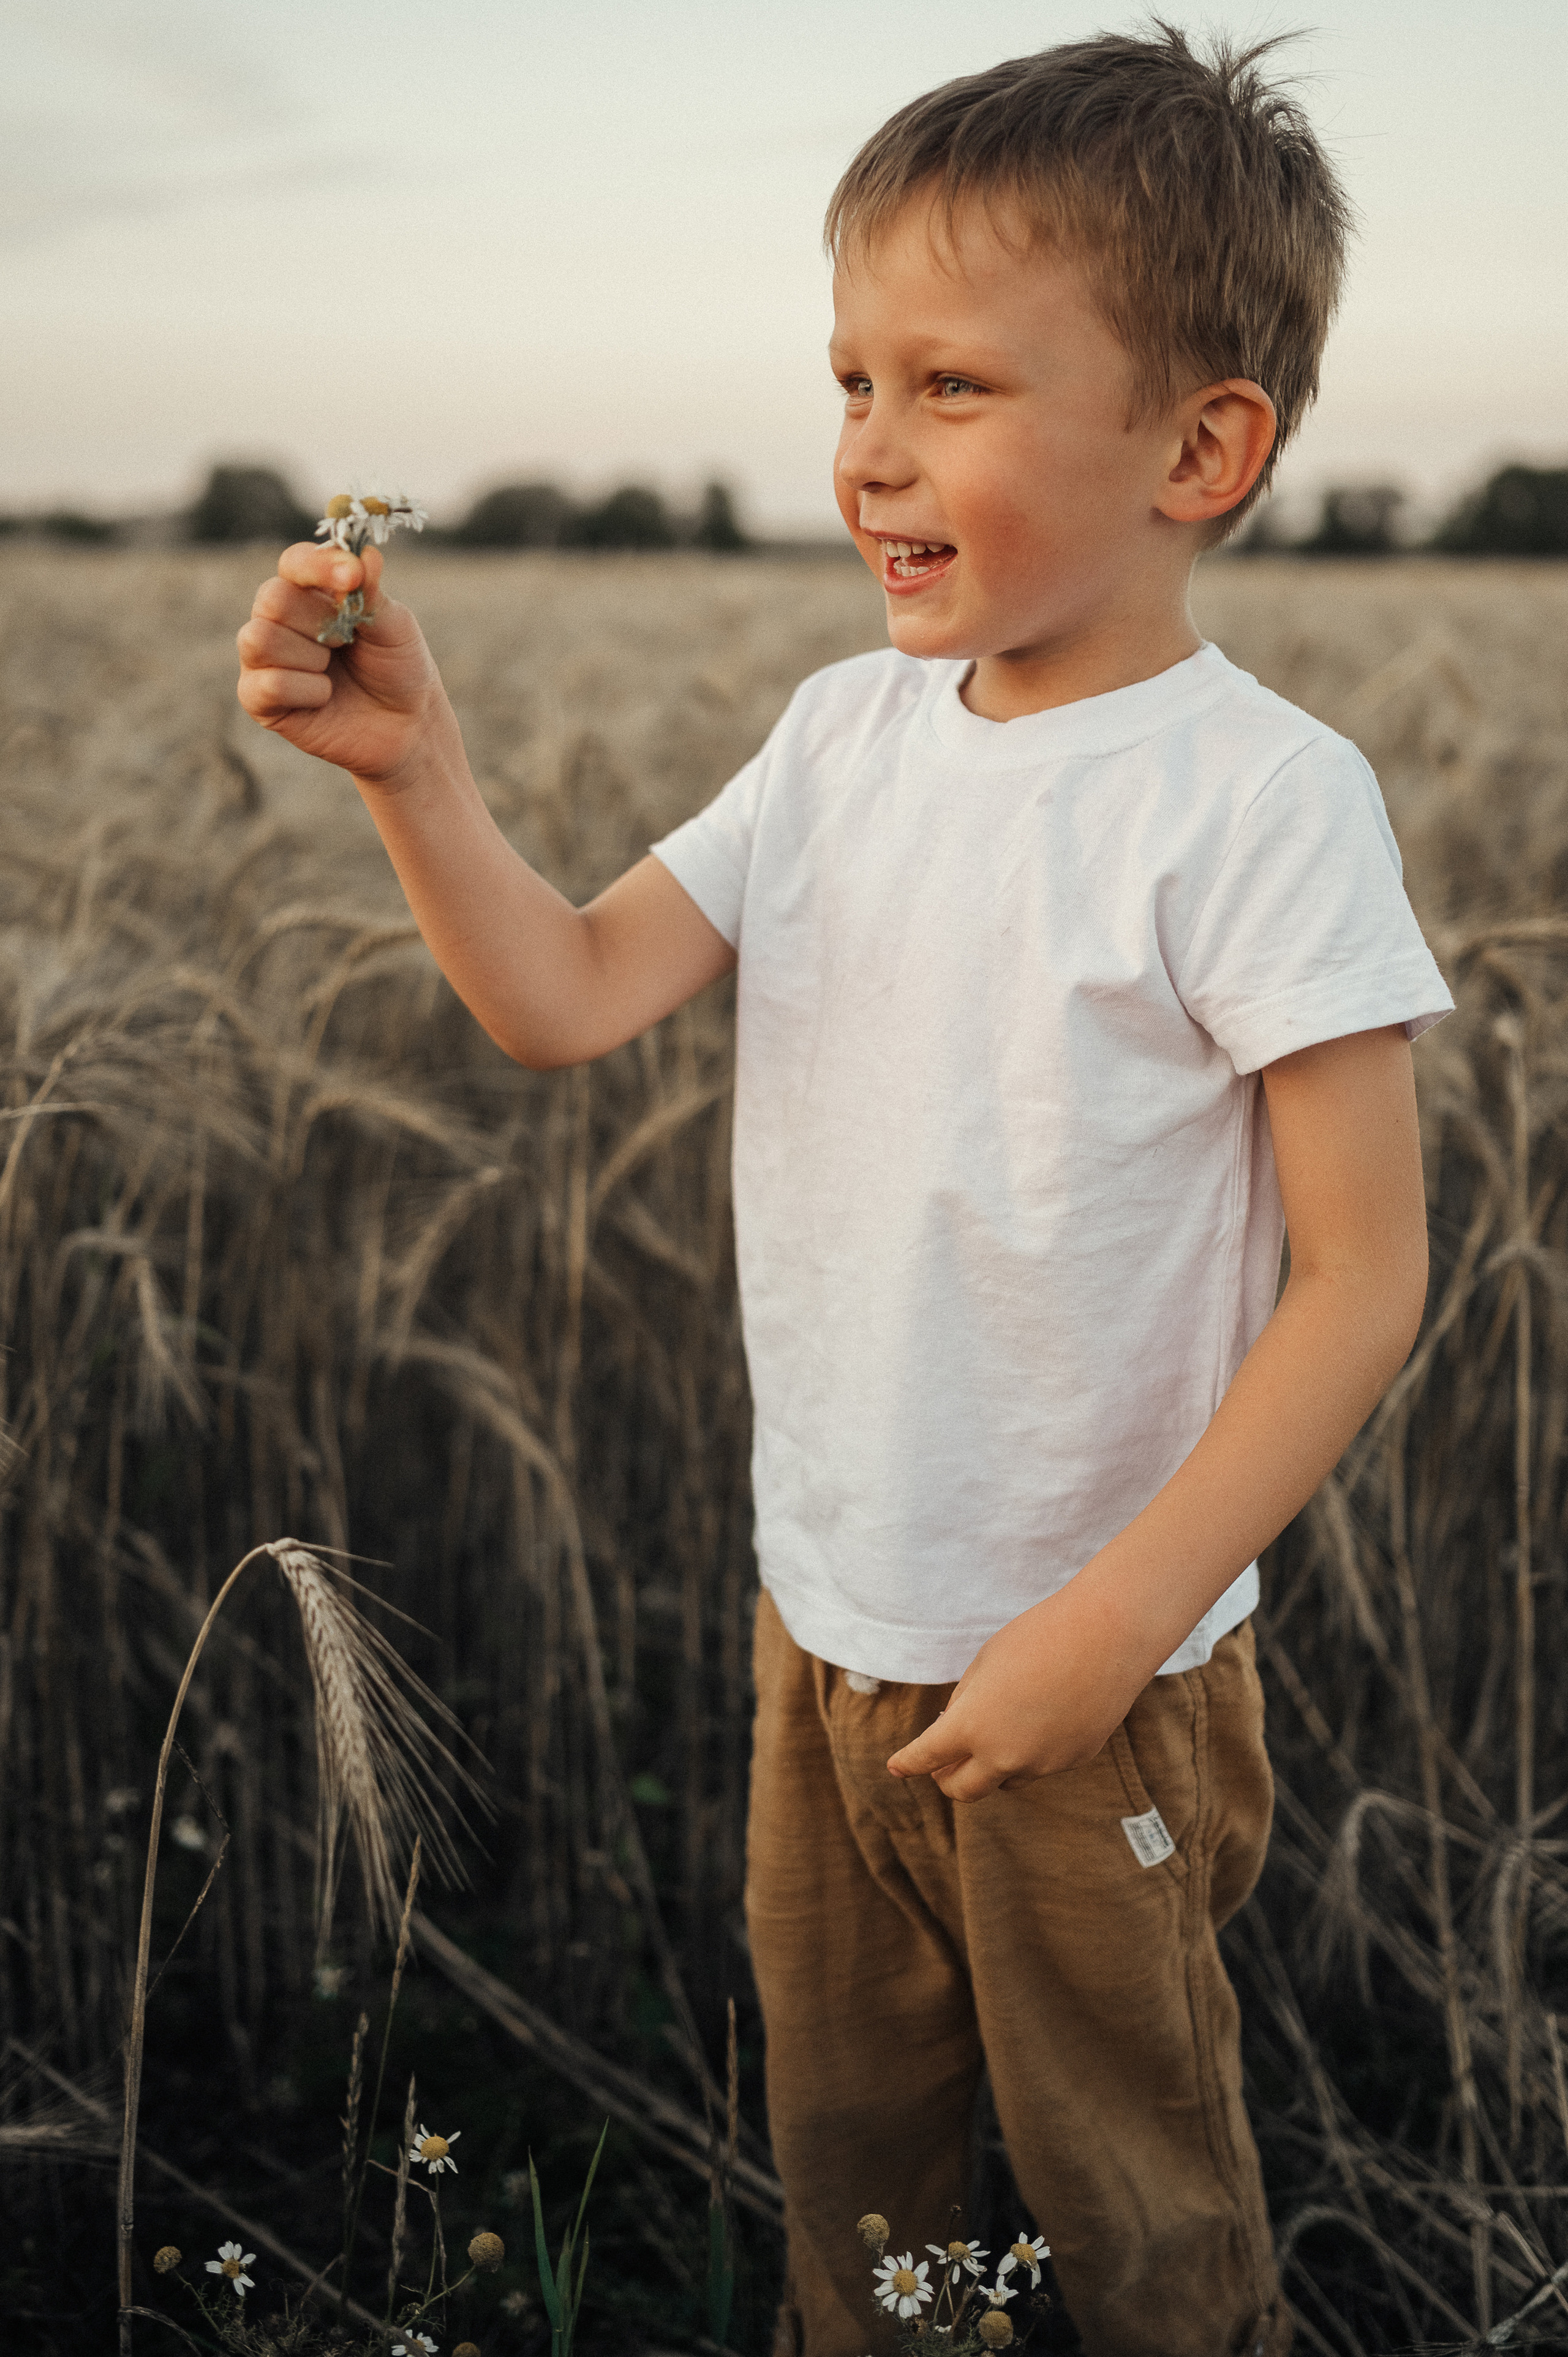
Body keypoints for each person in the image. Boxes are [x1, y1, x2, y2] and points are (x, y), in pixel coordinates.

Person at [237, 25, 1452, 2355]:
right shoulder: (836, 737)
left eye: (952, 388)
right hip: (829, 1626)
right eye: (852, 381)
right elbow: (569, 994)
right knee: (859, 2198)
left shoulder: (1257, 802)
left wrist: (1110, 1625)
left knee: (1141, 2229)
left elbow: (1363, 1280)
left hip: (1098, 1671)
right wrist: (415, 774)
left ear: (1202, 449)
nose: (868, 451)